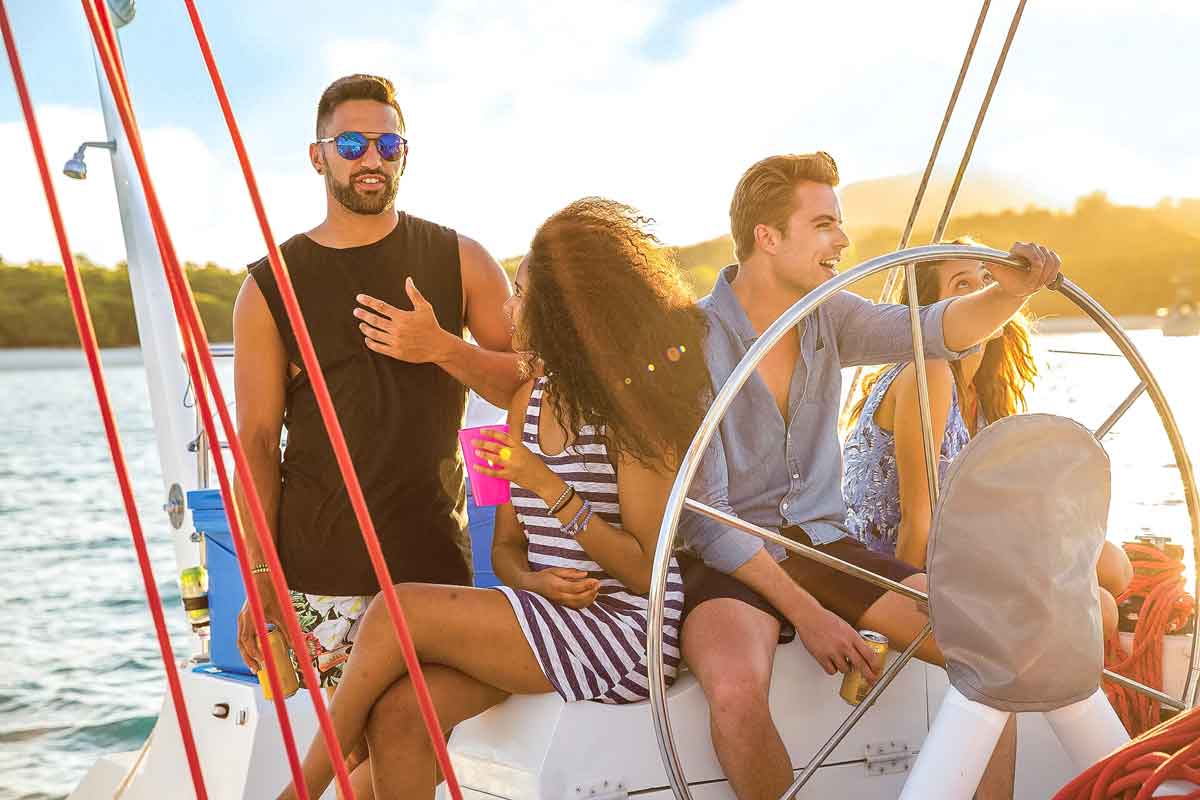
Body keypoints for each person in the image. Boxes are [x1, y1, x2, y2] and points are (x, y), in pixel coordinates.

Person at [276, 198, 711, 800]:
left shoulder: (636, 415)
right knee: (401, 713)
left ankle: (297, 791)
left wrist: (547, 486)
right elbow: (506, 550)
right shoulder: (523, 402)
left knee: (397, 611)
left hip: (625, 631)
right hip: (546, 615)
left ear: (564, 310)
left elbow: (646, 571)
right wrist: (532, 582)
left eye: (520, 293)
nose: (507, 308)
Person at [679, 152, 1064, 800]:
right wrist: (810, 615)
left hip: (825, 545)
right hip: (731, 559)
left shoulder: (829, 316)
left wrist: (1010, 292)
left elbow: (939, 329)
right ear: (768, 237)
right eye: (825, 223)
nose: (844, 240)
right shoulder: (689, 337)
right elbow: (706, 518)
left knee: (993, 656)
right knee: (738, 698)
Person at [232, 74, 521, 797]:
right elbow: (258, 441)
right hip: (322, 569)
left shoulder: (462, 259)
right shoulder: (271, 284)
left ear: (404, 154)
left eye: (387, 143)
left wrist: (442, 348)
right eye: (352, 142)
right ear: (317, 155)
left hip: (428, 560)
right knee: (369, 757)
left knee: (398, 739)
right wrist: (259, 577)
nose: (372, 157)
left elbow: (531, 384)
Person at [841, 240, 1132, 624]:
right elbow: (917, 520)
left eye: (987, 280)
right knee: (1101, 610)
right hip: (895, 559)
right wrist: (898, 616)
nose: (982, 295)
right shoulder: (929, 371)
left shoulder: (984, 392)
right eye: (963, 286)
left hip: (955, 551)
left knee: (1112, 565)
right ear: (933, 315)